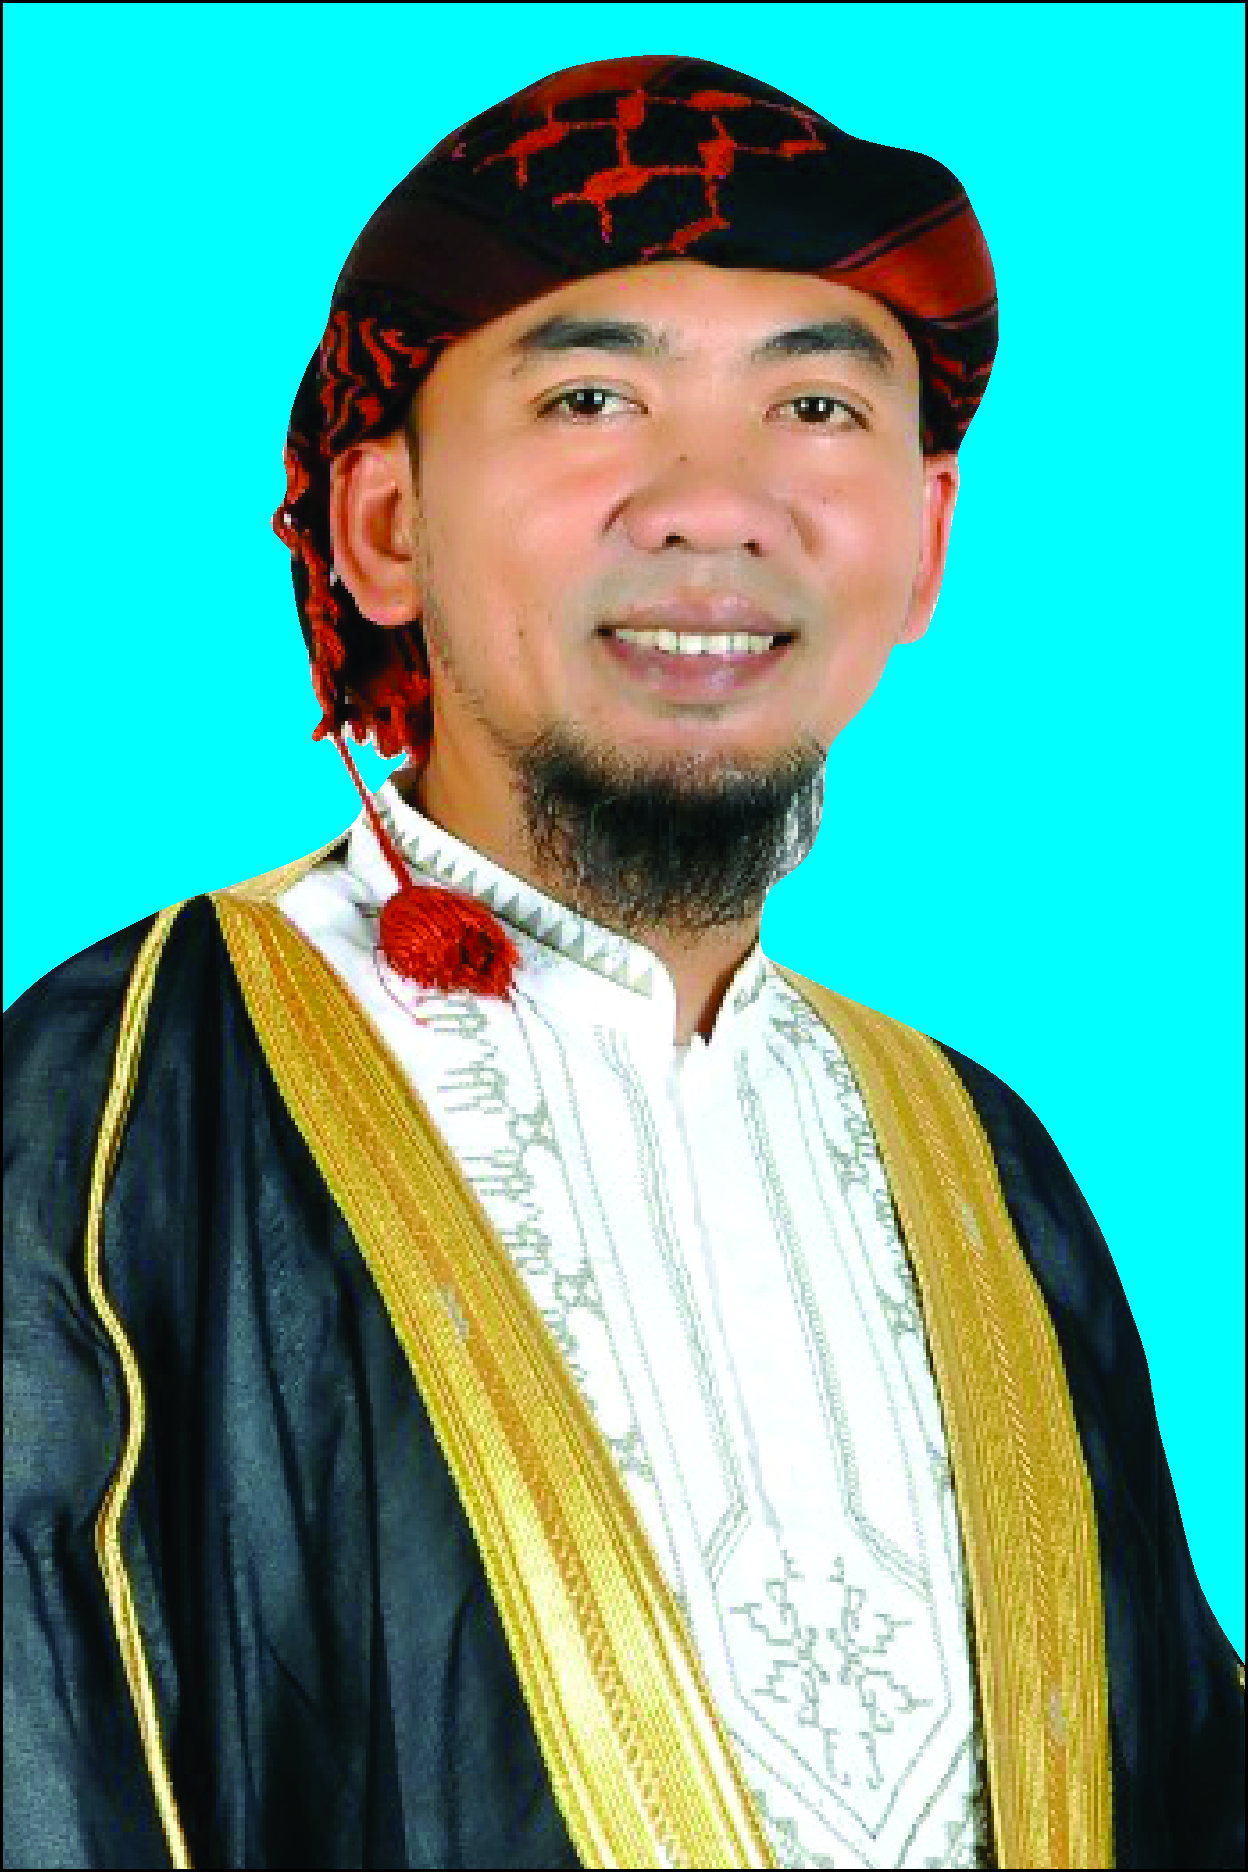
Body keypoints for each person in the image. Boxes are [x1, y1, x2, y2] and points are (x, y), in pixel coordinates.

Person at [3, 53, 1242, 1872]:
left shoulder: (984, 1161)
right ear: (383, 529)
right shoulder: (116, 1108)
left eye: (816, 407)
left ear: (924, 542)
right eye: (593, 397)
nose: (713, 505)